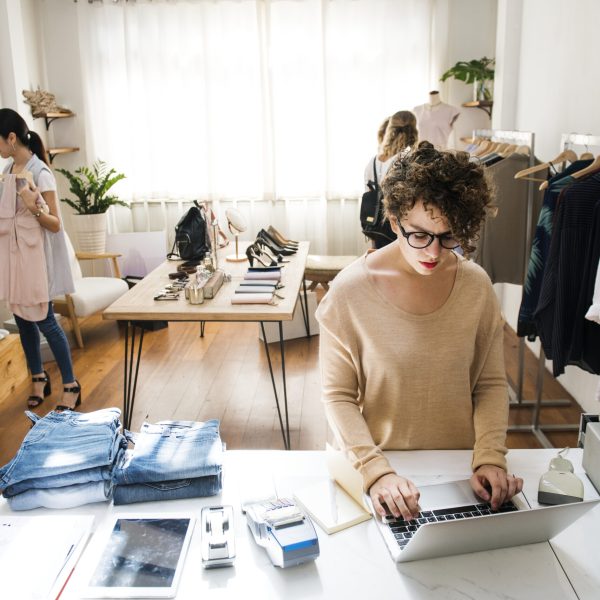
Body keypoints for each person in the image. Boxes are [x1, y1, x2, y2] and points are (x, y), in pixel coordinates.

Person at [318, 141, 523, 522]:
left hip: (462, 472)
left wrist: (490, 458)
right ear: (394, 221)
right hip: (380, 470)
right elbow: (338, 396)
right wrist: (375, 471)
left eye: (448, 237)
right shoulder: (348, 293)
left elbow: (490, 384)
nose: (433, 252)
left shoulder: (476, 286)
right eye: (420, 235)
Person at [0, 108, 81, 411]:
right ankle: (39, 378)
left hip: (37, 262)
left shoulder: (41, 172)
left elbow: (55, 224)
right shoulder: (8, 171)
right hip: (15, 259)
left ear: (11, 138)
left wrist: (31, 205)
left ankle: (71, 384)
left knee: (46, 321)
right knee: (23, 320)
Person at [363, 110, 418, 249]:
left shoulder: (373, 161)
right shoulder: (407, 158)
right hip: (398, 227)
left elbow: (369, 195)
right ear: (414, 131)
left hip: (376, 226)